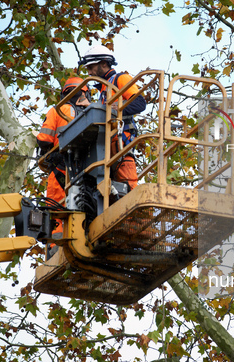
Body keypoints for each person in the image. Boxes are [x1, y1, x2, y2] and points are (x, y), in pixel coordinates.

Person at [78, 45, 147, 190]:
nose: (89, 73)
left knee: (128, 187)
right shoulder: (103, 89)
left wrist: (118, 109)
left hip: (122, 142)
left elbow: (139, 103)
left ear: (104, 63)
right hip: (107, 148)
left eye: (91, 68)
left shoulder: (119, 79)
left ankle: (137, 212)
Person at [36, 77, 90, 258]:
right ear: (85, 92)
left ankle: (55, 251)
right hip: (90, 172)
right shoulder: (95, 111)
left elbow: (44, 139)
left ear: (65, 94)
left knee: (56, 211)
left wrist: (47, 152)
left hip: (61, 169)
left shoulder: (58, 110)